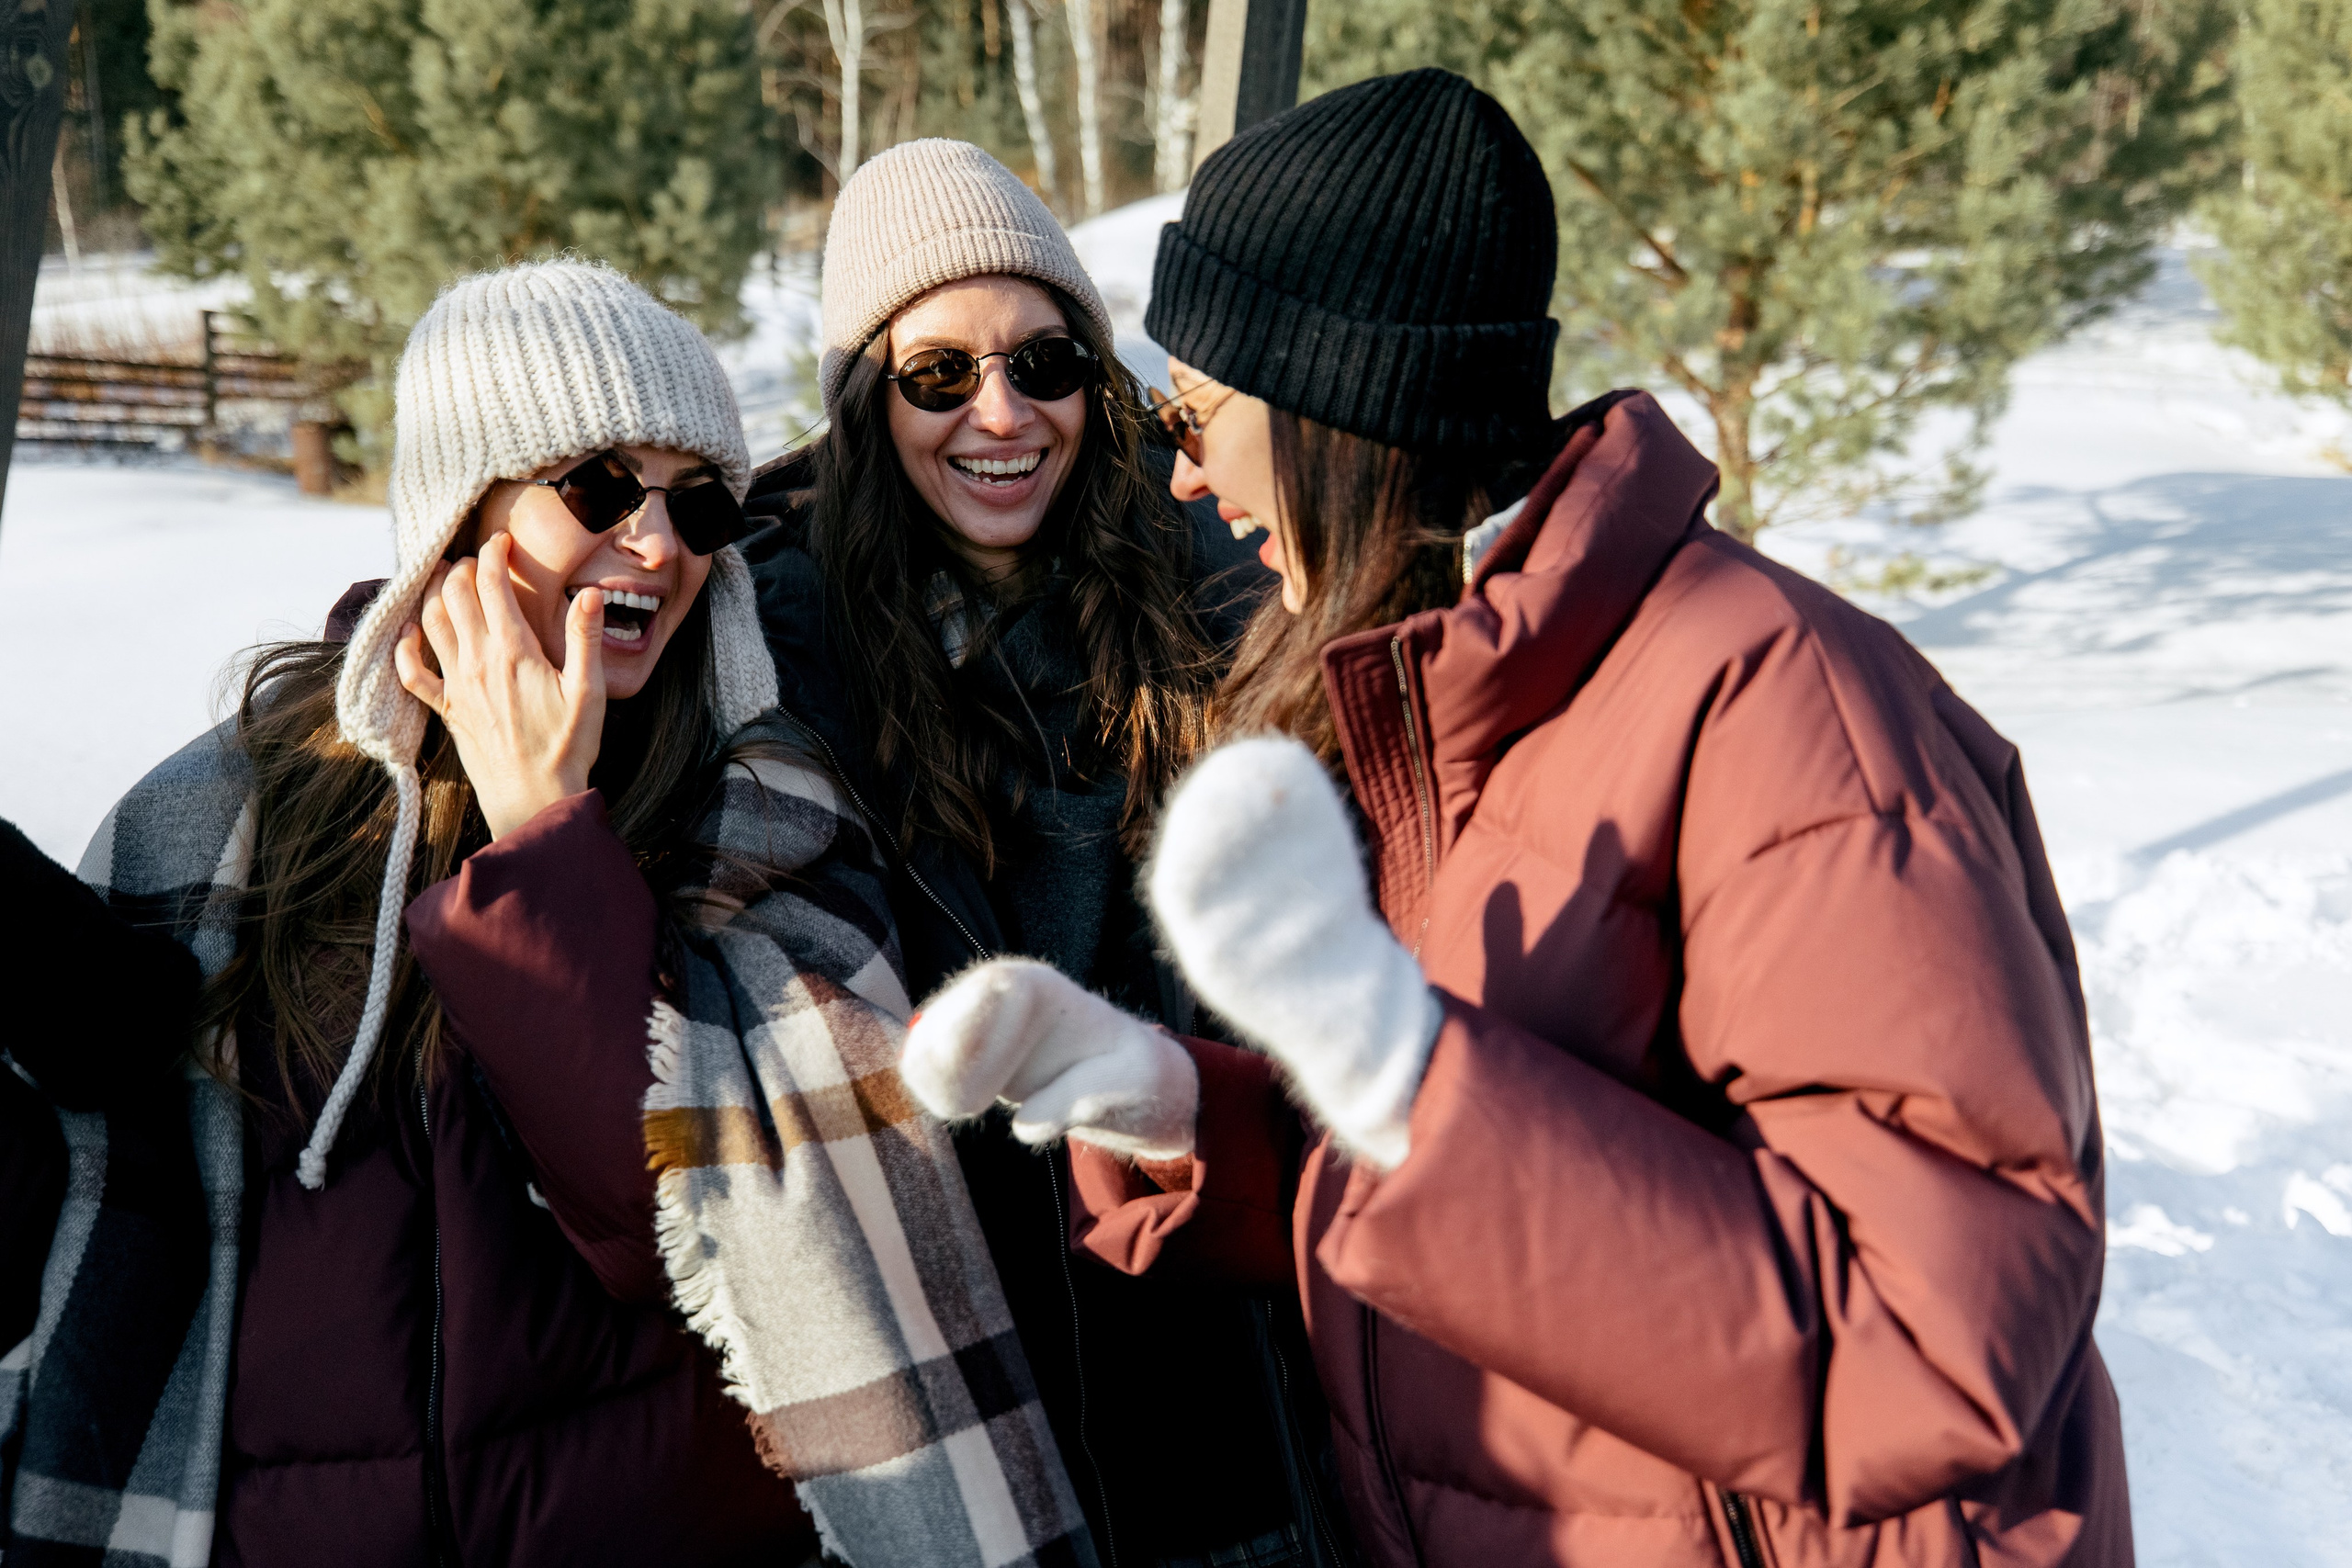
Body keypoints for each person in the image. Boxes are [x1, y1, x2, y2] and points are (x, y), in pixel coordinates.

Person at [900, 70, 2133, 1568]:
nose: (1182, 473)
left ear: (1334, 408)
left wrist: (1414, 1084)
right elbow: (1510, 1214)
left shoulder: (1784, 711)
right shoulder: (1456, 698)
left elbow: (1937, 1343)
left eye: (1199, 412)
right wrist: (1192, 1116)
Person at [0, 261, 1088, 1568]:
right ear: (462, 508)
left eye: (697, 506)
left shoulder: (762, 805)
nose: (661, 545)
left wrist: (546, 833)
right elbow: (84, 1214)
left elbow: (664, 1227)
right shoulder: (227, 812)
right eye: (598, 488)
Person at [737, 141, 1340, 1568]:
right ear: (865, 401)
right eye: (939, 374)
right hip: (974, 1371)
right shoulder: (781, 640)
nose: (1001, 413)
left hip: (1240, 1371)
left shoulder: (1229, 592)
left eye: (1046, 361)